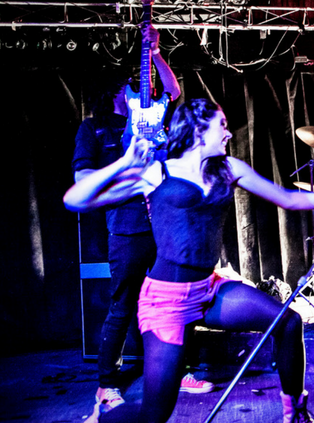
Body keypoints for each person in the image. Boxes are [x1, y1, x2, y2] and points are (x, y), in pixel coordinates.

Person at [65, 98, 314, 423]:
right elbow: (75, 199)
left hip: (209, 291)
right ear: (197, 130)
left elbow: (289, 198)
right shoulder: (156, 171)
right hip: (165, 302)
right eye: (221, 125)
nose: (228, 134)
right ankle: (101, 418)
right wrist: (124, 162)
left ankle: (294, 412)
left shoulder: (228, 168)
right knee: (154, 415)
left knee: (288, 322)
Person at [72, 27, 213, 411]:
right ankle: (106, 384)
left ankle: (178, 371)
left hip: (166, 224)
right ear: (111, 90)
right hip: (128, 227)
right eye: (125, 82)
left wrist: (155, 53)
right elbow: (82, 179)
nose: (133, 85)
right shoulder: (94, 129)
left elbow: (174, 92)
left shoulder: (151, 117)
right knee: (122, 305)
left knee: (176, 300)